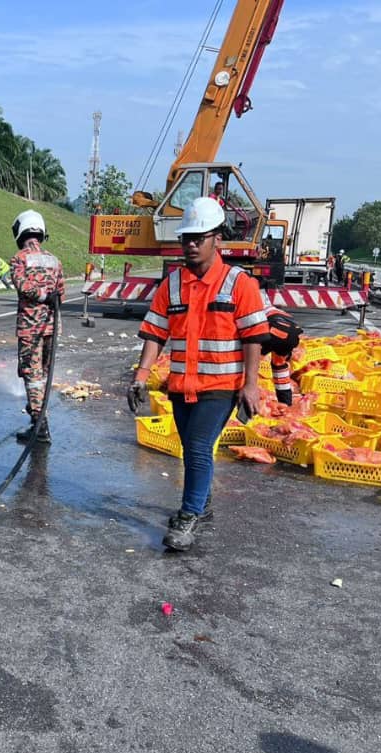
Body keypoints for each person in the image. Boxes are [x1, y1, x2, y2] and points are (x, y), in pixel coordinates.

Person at [126, 197, 269, 551]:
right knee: (190, 448)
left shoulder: (240, 284)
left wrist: (250, 385)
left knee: (200, 447)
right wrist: (141, 375)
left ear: (217, 238)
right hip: (182, 386)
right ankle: (201, 504)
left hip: (220, 387)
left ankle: (189, 516)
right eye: (186, 238)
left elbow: (254, 337)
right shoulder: (172, 285)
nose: (190, 244)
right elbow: (155, 333)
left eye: (198, 237)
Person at [10, 209, 64, 444]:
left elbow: (21, 285)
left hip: (31, 329)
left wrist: (41, 295)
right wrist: (50, 296)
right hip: (52, 327)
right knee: (43, 376)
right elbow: (61, 293)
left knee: (32, 376)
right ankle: (39, 416)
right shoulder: (54, 260)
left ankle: (40, 426)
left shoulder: (19, 259)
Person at [264, 306, 303, 405]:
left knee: (250, 364)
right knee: (279, 365)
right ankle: (285, 403)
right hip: (292, 330)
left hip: (273, 327)